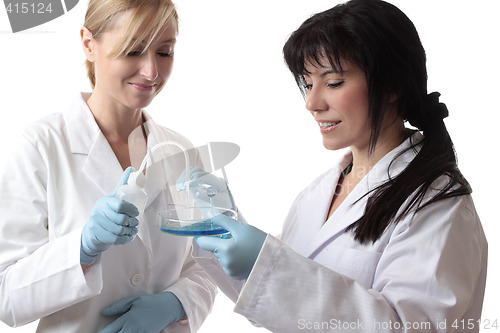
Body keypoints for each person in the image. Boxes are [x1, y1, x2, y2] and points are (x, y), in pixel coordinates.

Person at [187, 0, 488, 331]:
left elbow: (407, 327)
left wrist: (265, 264)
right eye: (307, 82)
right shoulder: (319, 192)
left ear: (392, 86)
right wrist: (225, 227)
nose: (312, 103)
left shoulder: (437, 203)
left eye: (332, 82)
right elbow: (275, 302)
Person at [0, 0, 216, 332]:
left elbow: (207, 264)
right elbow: (6, 295)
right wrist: (82, 248)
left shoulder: (182, 152)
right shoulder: (41, 147)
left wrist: (177, 303)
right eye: (133, 50)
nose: (151, 72)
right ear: (89, 44)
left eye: (165, 51)